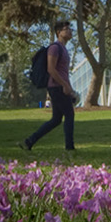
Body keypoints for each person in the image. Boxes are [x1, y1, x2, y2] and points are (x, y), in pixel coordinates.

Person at [21, 20, 77, 152]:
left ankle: (30, 141)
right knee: (69, 114)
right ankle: (70, 147)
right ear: (59, 33)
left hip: (61, 86)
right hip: (56, 87)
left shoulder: (63, 49)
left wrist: (70, 88)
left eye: (70, 29)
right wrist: (64, 85)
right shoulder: (54, 48)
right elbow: (51, 69)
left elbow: (63, 72)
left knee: (56, 119)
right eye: (66, 29)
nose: (69, 31)